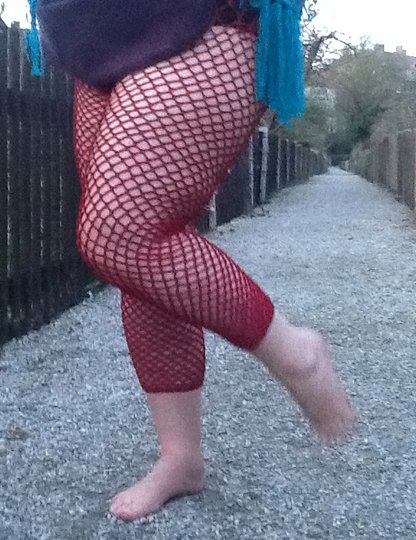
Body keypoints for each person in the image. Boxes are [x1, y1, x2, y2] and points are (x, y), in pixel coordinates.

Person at [27, 0, 353, 522]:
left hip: (203, 16)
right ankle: (181, 458)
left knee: (121, 233)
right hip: (89, 26)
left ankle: (294, 351)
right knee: (143, 263)